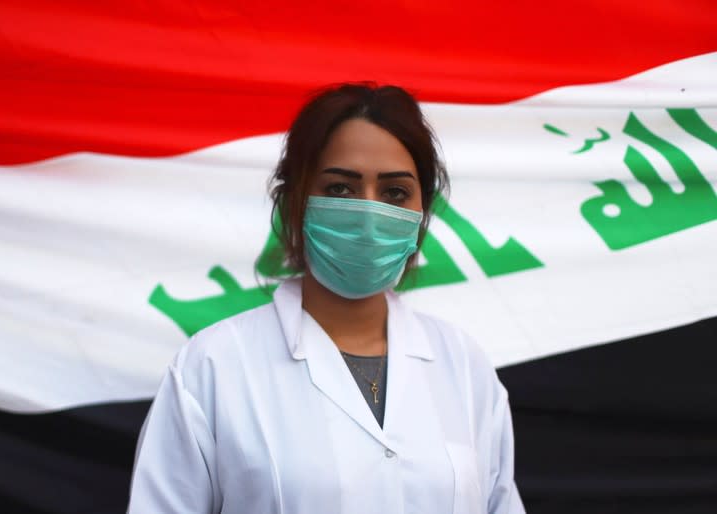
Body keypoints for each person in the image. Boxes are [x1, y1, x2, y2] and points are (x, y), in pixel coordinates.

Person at [128, 83, 525, 514]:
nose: (369, 214)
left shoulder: (463, 366)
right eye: (340, 189)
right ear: (296, 201)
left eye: (394, 193)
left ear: (421, 213)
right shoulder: (212, 367)